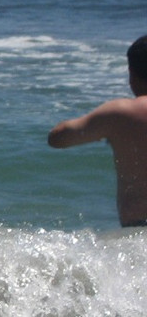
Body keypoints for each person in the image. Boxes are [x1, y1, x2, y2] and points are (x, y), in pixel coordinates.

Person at [47, 34, 147, 227]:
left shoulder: (120, 113)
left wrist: (101, 128)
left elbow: (57, 138)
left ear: (131, 74)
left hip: (139, 231)